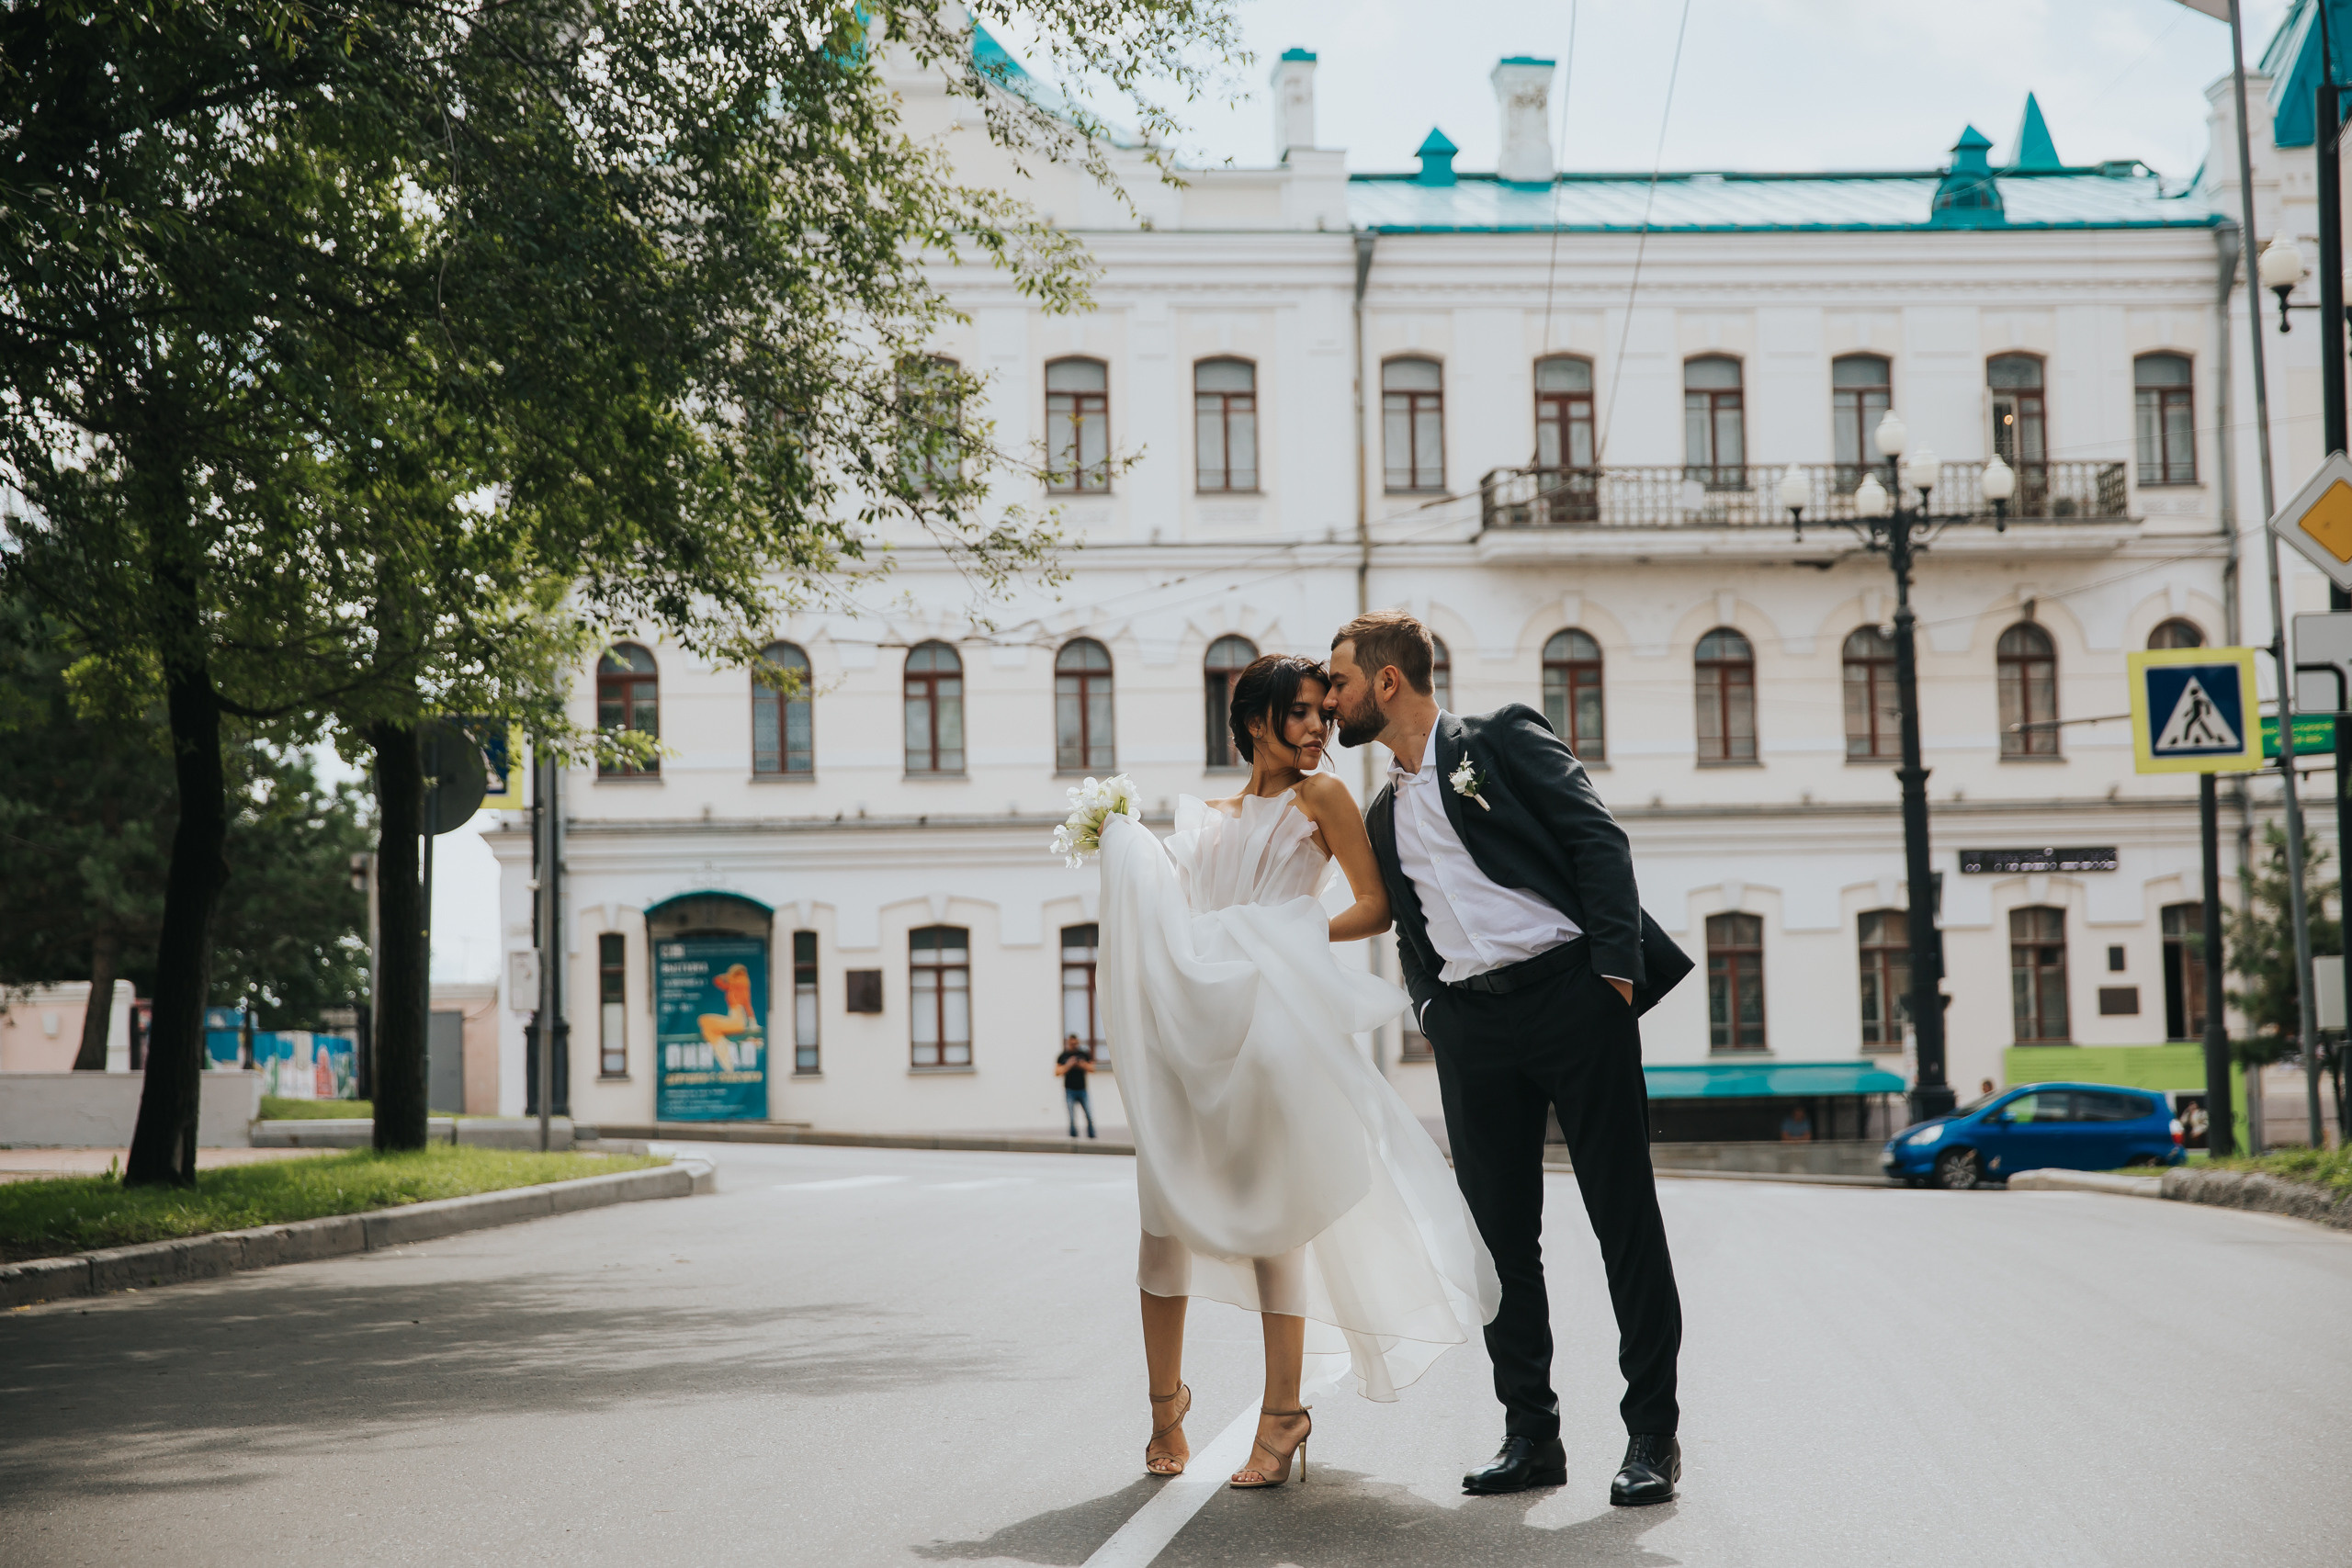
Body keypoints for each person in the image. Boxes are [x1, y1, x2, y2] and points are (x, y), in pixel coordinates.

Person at [1095, 652, 1497, 1492]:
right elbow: (1170, 919)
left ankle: (1282, 1412)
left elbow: (1375, 905)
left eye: (1324, 710)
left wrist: (1287, 934)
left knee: (1276, 1218)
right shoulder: (1205, 818)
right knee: (1162, 1218)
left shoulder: (1324, 798)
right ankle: (1165, 1407)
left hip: (1274, 1030)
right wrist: (1121, 843)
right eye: (1304, 712)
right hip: (1196, 1033)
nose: (1321, 726)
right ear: (1255, 722)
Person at [1325, 609, 1692, 1508]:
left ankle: (1652, 1434)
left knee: (1622, 1218)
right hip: (1473, 1030)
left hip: (1574, 999)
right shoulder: (1381, 813)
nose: (1328, 700)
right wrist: (1430, 1011)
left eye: (1338, 681)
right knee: (1497, 1240)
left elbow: (1597, 840)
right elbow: (1410, 929)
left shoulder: (1498, 740)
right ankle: (1531, 1435)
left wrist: (1612, 977)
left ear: (1386, 682)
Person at [1057, 1033, 1097, 1139]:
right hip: (1069, 1090)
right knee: (1071, 1116)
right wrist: (1069, 1065)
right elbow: (1057, 1072)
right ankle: (1073, 1137)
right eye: (1072, 1044)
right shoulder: (1063, 1056)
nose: (1074, 1046)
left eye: (1075, 1044)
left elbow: (1092, 1069)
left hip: (1082, 1089)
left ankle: (1092, 1135)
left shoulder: (1083, 1054)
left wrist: (1081, 1064)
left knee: (1089, 1114)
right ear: (1068, 1043)